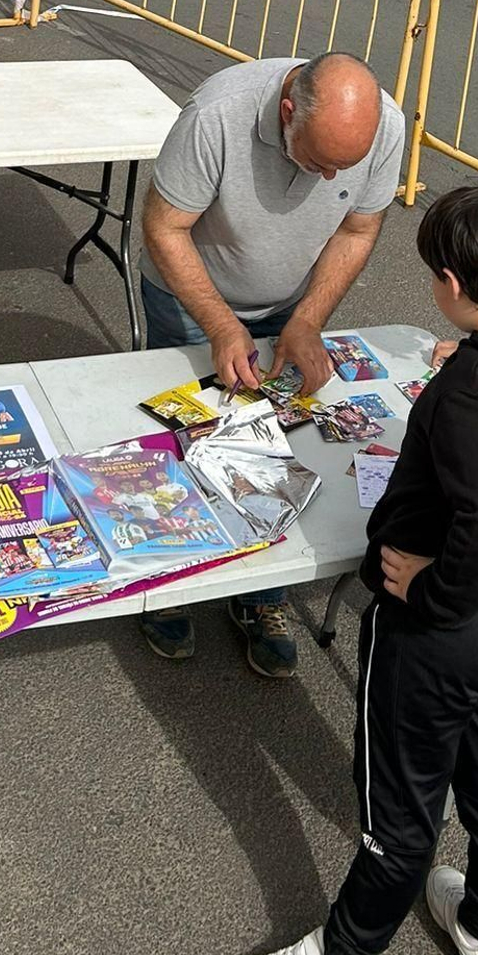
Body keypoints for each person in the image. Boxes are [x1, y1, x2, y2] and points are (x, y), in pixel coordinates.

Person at [225, 184, 478, 955]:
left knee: (401, 805)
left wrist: (430, 585)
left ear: (453, 281)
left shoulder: (473, 396)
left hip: (442, 634)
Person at [139, 51, 405, 677]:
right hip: (193, 296)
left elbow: (357, 231)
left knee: (275, 446)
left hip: (289, 304)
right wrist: (222, 325)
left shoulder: (381, 127)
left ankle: (259, 594)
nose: (326, 179)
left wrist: (307, 320)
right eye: (317, 162)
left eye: (342, 168)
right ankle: (167, 582)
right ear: (288, 112)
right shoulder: (216, 116)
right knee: (182, 443)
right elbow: (164, 227)